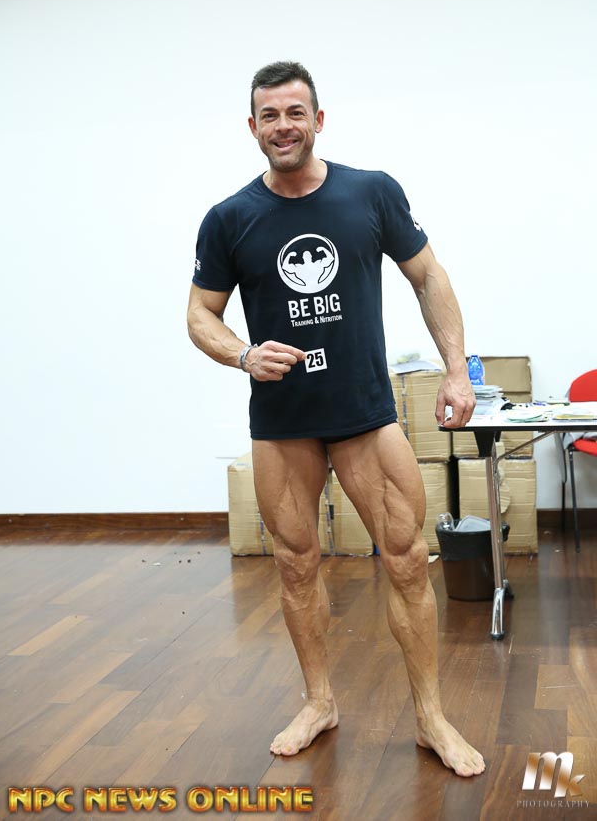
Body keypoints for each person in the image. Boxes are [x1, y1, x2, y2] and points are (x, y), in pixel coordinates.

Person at [187, 61, 485, 777]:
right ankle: (319, 702)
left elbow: (427, 275)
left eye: (295, 112)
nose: (283, 126)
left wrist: (455, 369)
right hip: (283, 419)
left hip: (363, 412)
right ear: (252, 127)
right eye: (269, 115)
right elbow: (200, 314)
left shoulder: (370, 192)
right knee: (295, 565)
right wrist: (242, 354)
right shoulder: (229, 218)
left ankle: (431, 718)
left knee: (406, 559)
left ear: (318, 120)